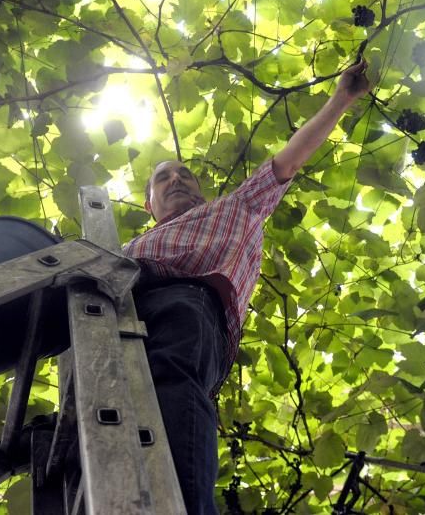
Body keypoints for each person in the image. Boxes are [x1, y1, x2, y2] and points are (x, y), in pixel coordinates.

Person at [122, 59, 372, 513]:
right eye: (163, 178)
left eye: (184, 175)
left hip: (188, 304)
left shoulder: (236, 206)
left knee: (175, 382)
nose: (176, 179)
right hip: (118, 305)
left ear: (200, 189)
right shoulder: (128, 243)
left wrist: (343, 98)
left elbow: (291, 157)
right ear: (148, 202)